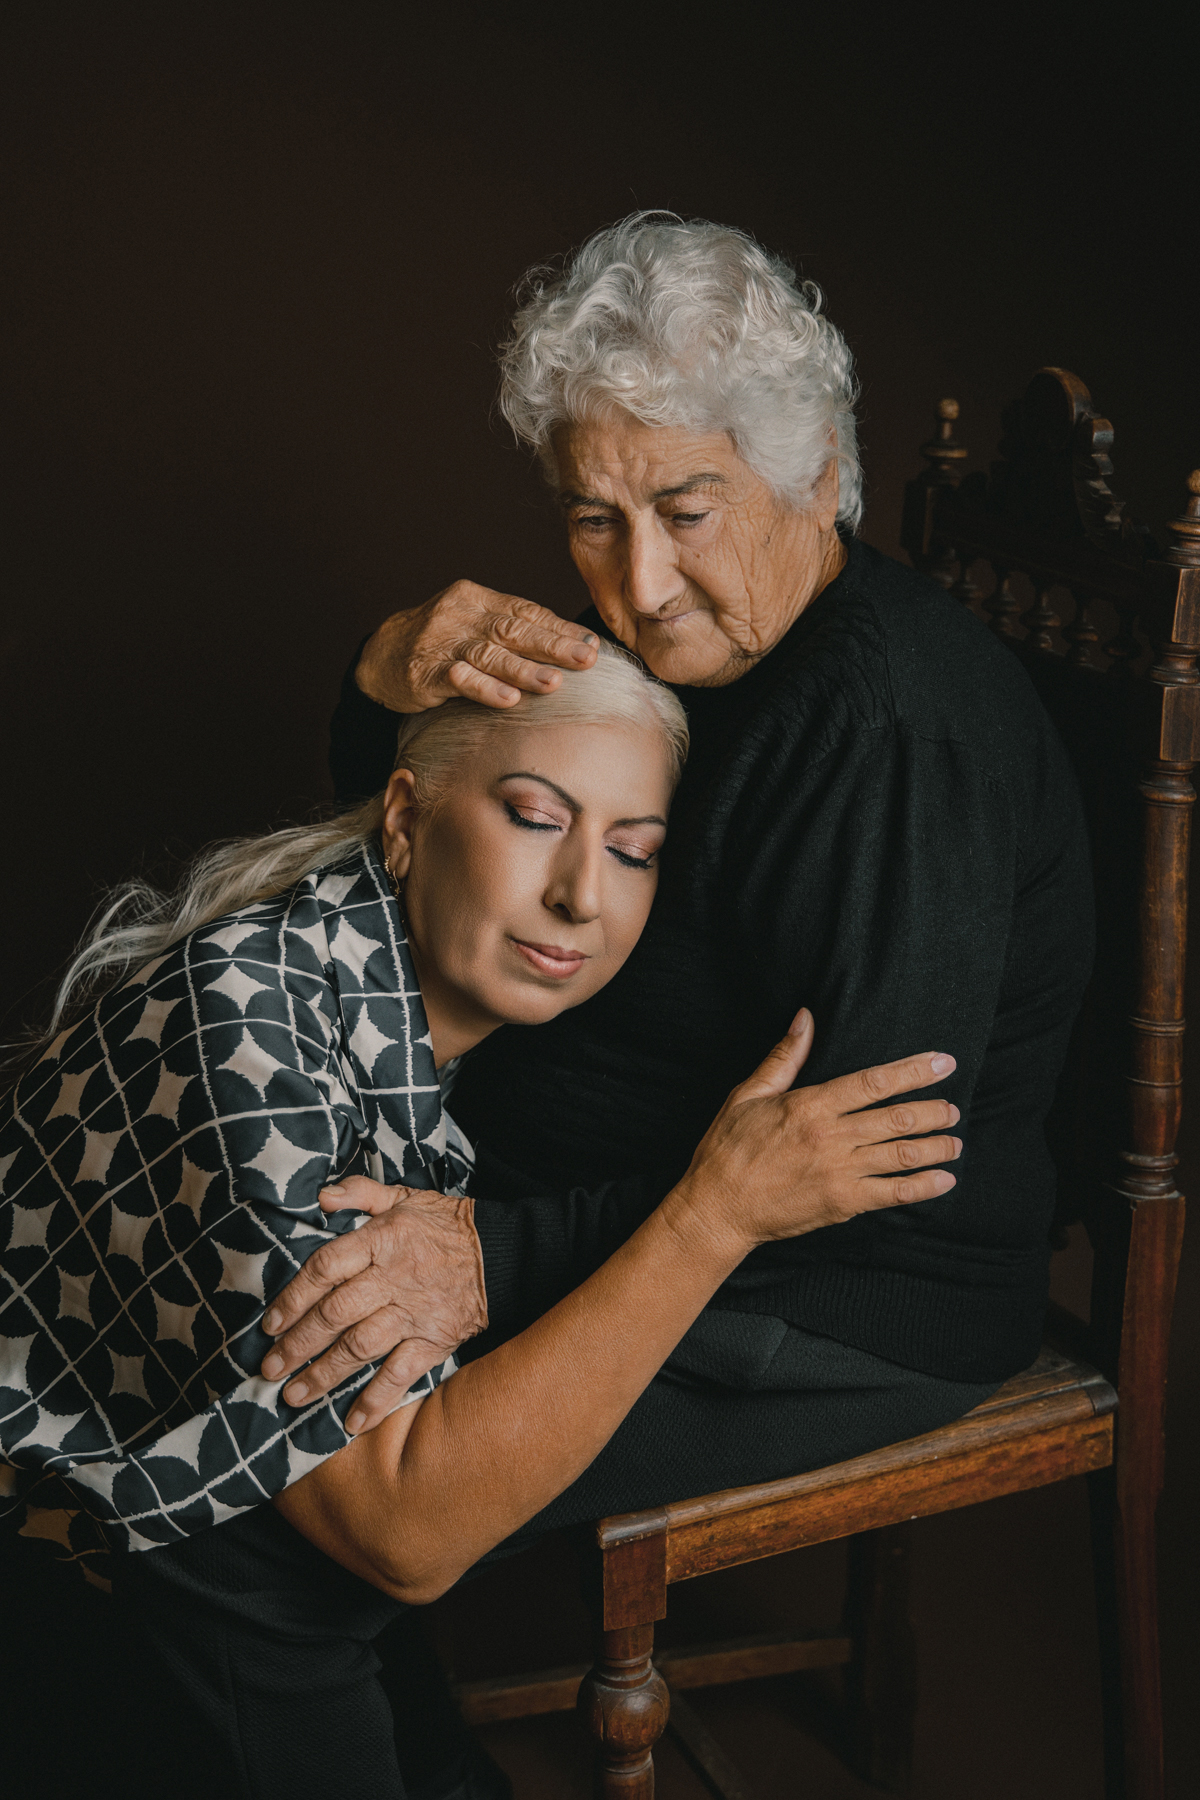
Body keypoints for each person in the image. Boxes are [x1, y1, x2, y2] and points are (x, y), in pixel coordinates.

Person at [1, 642, 963, 1800]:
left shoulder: (396, 988)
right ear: (407, 819)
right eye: (535, 818)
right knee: (275, 1580)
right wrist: (714, 1214)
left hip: (195, 1576)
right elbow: (403, 1532)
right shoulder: (246, 1043)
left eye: (633, 850)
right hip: (63, 1605)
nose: (582, 895)